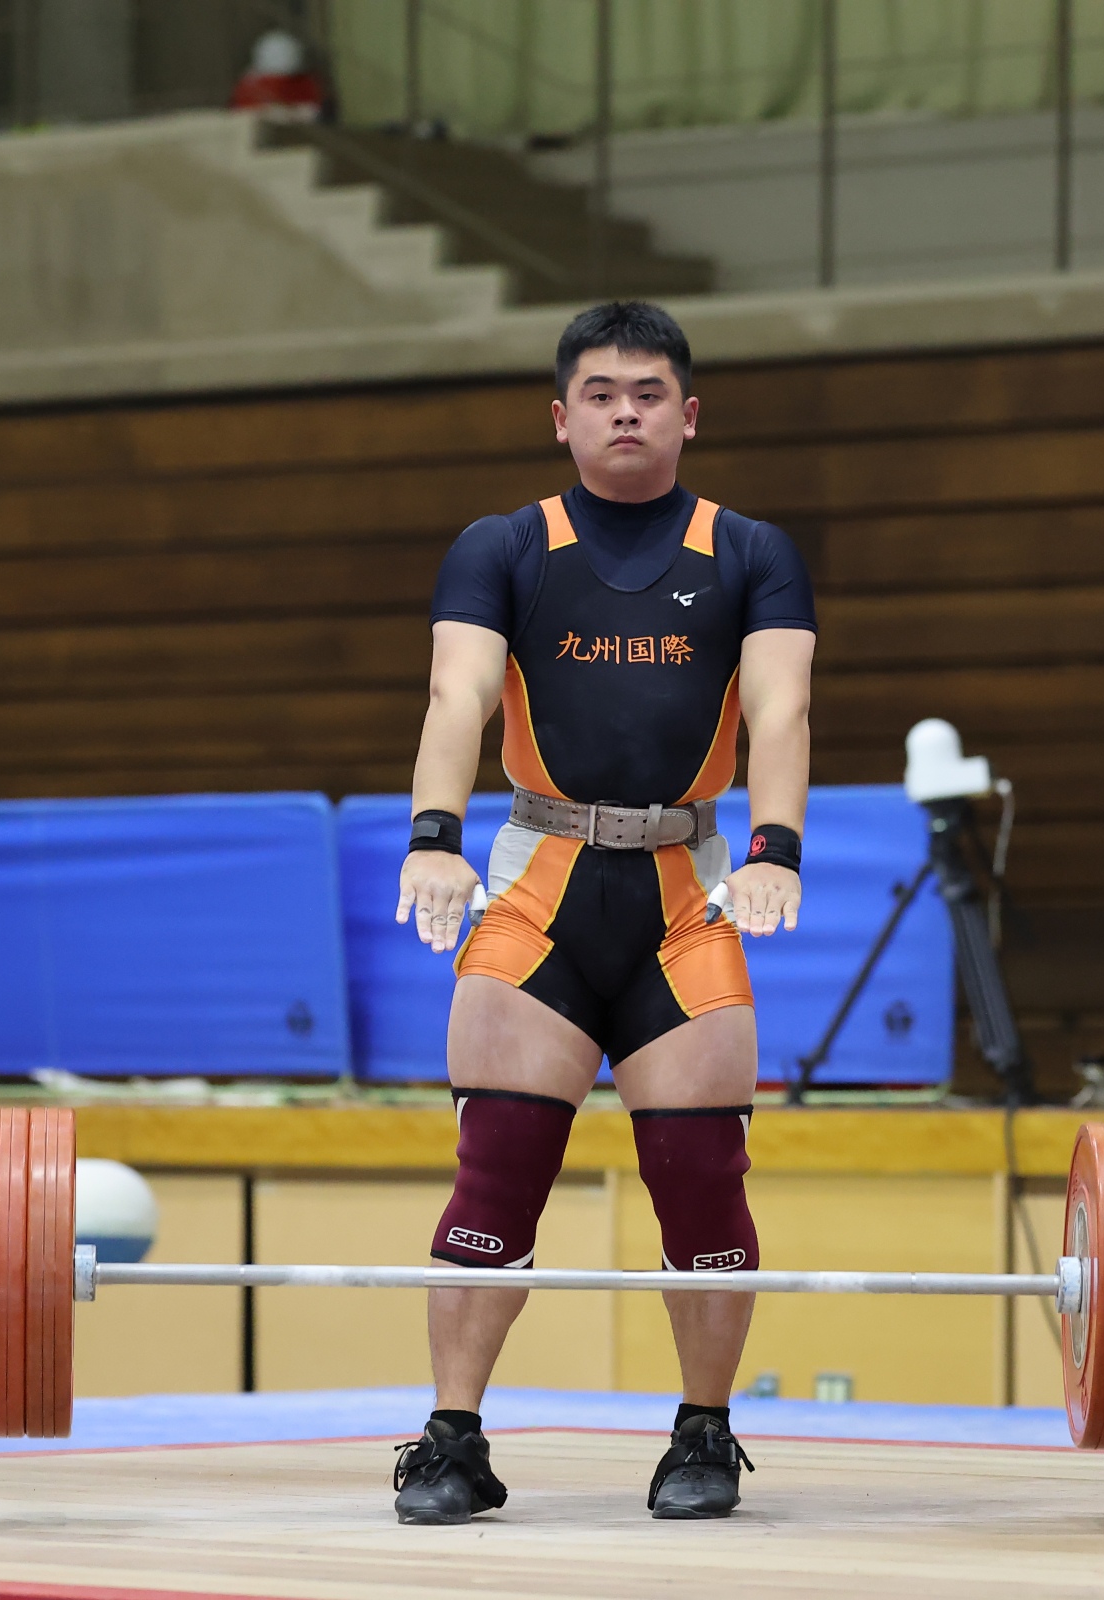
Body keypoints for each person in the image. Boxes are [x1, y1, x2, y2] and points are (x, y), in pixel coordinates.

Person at [390, 300, 815, 1524]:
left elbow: (782, 710)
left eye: (648, 392)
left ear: (690, 413)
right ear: (562, 415)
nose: (625, 412)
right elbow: (457, 693)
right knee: (496, 1174)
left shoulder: (752, 551)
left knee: (704, 1183)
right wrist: (433, 837)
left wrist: (778, 851)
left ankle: (703, 1433)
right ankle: (452, 1439)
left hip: (686, 895)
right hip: (540, 886)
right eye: (600, 393)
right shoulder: (503, 546)